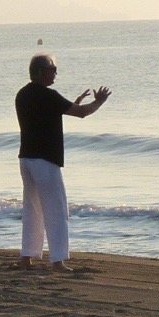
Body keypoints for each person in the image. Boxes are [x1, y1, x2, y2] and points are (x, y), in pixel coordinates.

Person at [15, 52, 110, 271]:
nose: (55, 73)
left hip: (27, 157)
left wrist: (74, 103)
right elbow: (82, 113)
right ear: (41, 72)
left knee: (32, 209)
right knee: (56, 209)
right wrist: (99, 101)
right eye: (53, 69)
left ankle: (27, 256)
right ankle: (57, 260)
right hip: (45, 159)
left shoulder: (23, 94)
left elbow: (47, 114)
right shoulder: (48, 95)